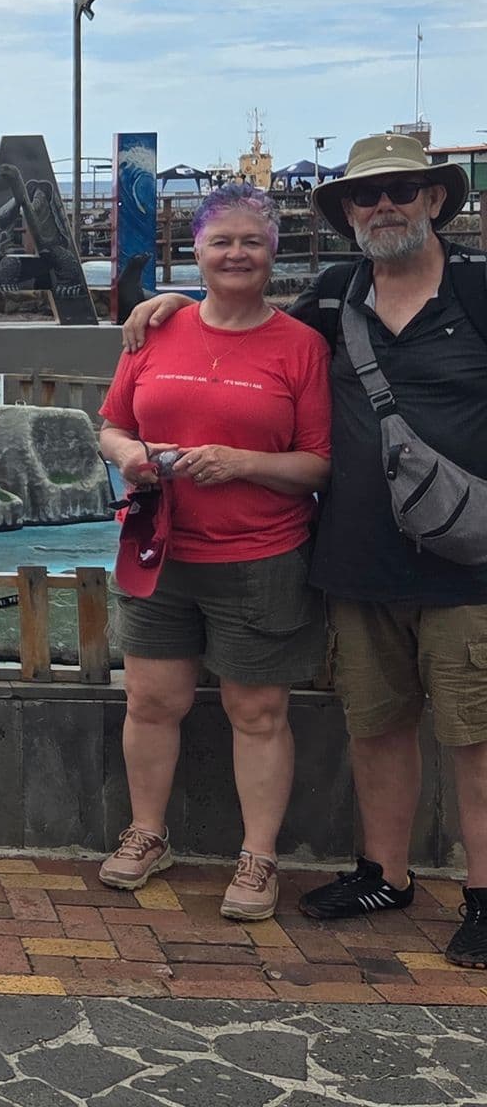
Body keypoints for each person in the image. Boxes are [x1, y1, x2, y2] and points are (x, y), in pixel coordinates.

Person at [125, 132, 487, 965]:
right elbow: (249, 328)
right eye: (365, 195)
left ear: (435, 198)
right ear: (347, 212)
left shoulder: (476, 288)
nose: (383, 205)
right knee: (378, 727)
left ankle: (482, 894)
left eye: (400, 189)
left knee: (474, 736)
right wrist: (174, 302)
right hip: (358, 556)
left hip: (469, 559)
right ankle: (384, 874)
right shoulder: (335, 295)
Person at [96, 182, 332, 920]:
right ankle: (147, 832)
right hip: (160, 551)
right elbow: (110, 425)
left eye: (251, 241)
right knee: (151, 701)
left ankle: (259, 857)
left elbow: (318, 464)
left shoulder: (301, 347)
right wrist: (131, 457)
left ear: (274, 252)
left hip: (261, 557)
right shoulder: (153, 332)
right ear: (194, 252)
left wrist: (242, 463)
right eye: (221, 241)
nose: (237, 253)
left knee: (257, 709)